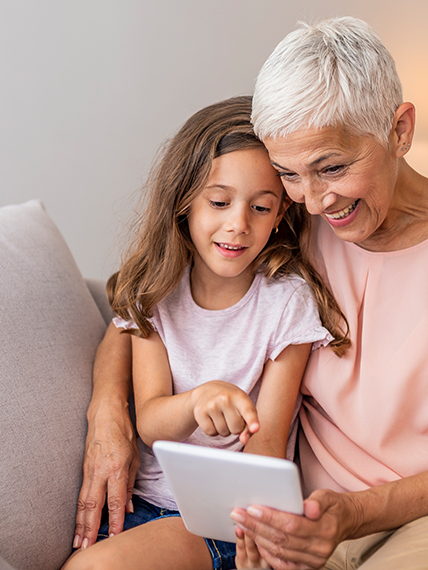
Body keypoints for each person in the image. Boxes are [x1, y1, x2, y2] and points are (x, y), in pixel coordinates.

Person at [75, 17, 428, 570]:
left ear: (400, 130)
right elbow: (140, 299)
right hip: (318, 529)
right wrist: (107, 414)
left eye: (331, 167)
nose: (312, 200)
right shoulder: (287, 230)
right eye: (289, 174)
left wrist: (357, 511)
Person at [64, 96, 349, 570]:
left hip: (216, 523)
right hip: (142, 504)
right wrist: (199, 401)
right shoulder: (155, 290)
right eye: (219, 202)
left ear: (280, 214)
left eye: (261, 207)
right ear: (184, 202)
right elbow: (151, 424)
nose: (238, 225)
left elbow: (268, 444)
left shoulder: (286, 302)